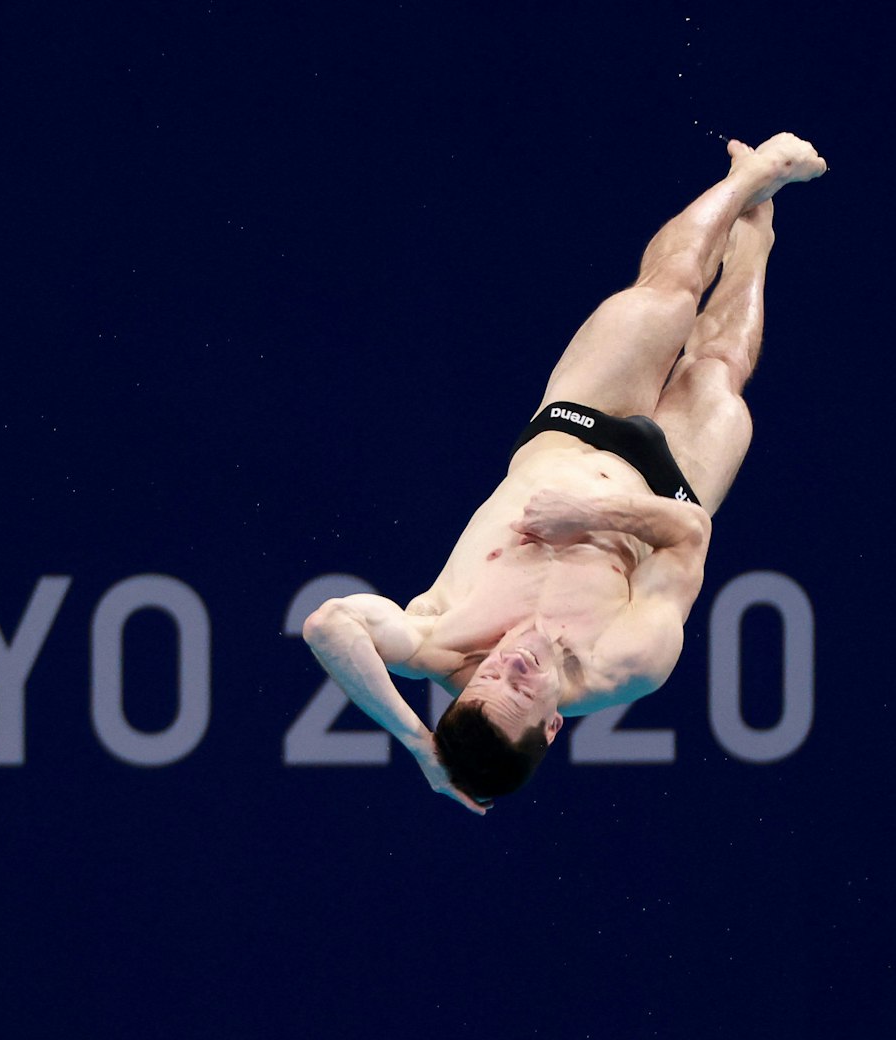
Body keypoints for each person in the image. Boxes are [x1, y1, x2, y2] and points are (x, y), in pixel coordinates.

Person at [301, 133, 826, 815]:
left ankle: (748, 178)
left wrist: (419, 745)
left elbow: (328, 624)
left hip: (576, 424)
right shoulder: (627, 664)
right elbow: (691, 534)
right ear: (551, 727)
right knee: (720, 366)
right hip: (669, 486)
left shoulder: (437, 640)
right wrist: (592, 516)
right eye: (521, 688)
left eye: (488, 680)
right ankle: (757, 232)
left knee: (668, 290)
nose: (510, 664)